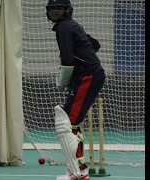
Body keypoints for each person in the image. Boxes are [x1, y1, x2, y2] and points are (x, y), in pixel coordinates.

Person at [45, 0, 106, 180]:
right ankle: (80, 170)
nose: (56, 12)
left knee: (67, 123)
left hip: (88, 76)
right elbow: (94, 44)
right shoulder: (72, 25)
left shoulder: (64, 27)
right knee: (71, 123)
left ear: (67, 11)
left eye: (59, 9)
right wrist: (84, 59)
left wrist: (65, 78)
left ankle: (77, 173)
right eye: (52, 10)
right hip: (86, 75)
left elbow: (67, 58)